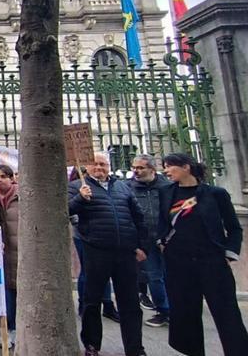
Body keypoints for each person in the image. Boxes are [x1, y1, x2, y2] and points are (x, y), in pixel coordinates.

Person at [158, 153, 248, 356]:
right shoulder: (166, 192)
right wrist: (161, 242)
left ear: (186, 167)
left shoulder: (215, 194)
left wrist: (230, 253)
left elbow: (234, 228)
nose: (166, 171)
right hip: (179, 263)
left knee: (227, 314)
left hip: (211, 261)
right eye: (164, 167)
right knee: (186, 314)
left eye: (170, 166)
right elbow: (162, 222)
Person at [68, 152, 147, 356]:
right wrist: (80, 199)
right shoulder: (77, 186)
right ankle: (92, 345)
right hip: (96, 250)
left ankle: (135, 348)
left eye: (103, 164)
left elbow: (138, 217)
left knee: (130, 302)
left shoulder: (122, 187)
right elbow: (65, 210)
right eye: (95, 164)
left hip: (125, 252)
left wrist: (142, 246)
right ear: (86, 167)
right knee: (92, 300)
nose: (99, 168)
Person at [69, 167, 119, 322]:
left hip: (103, 235)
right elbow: (69, 209)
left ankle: (108, 304)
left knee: (104, 271)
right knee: (87, 271)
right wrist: (81, 197)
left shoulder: (109, 187)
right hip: (84, 234)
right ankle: (84, 304)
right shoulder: (75, 186)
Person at [127, 155, 172, 328]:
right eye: (134, 168)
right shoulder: (128, 187)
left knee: (172, 276)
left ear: (152, 170)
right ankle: (163, 310)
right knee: (154, 276)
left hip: (167, 238)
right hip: (145, 239)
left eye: (140, 168)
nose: (136, 171)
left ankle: (176, 309)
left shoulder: (167, 187)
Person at [0, 164, 19, 349]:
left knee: (19, 291)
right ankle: (8, 330)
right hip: (0, 250)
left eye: (3, 176)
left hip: (18, 249)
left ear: (11, 178)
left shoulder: (20, 196)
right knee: (6, 292)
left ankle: (19, 329)